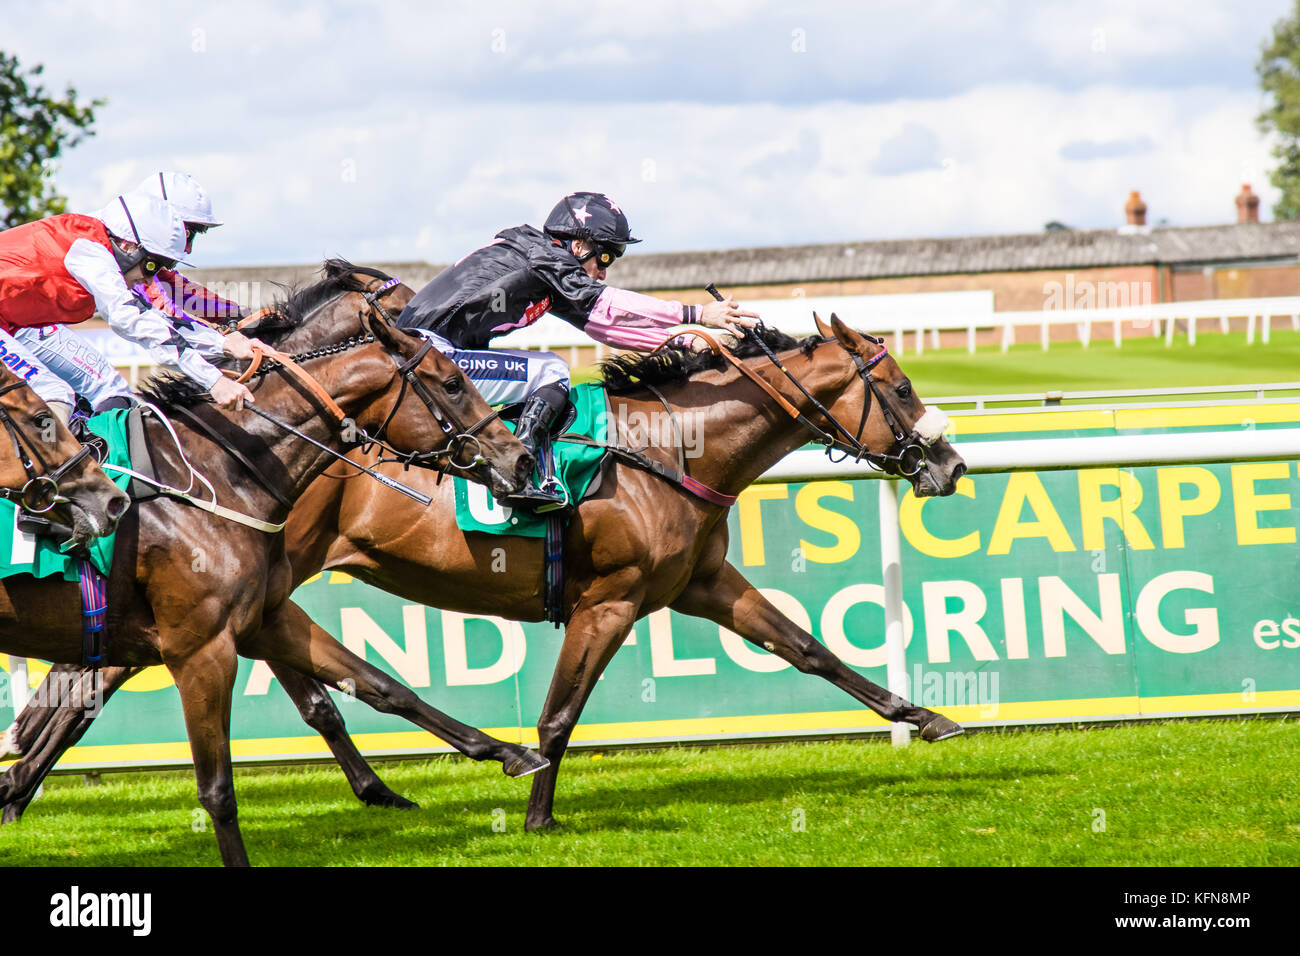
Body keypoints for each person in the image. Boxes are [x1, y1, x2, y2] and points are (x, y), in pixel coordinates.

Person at [396, 190, 759, 509]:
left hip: (431, 353)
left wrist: (686, 342)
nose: (603, 271)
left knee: (547, 370)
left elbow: (606, 327)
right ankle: (518, 471)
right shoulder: (544, 258)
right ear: (579, 244)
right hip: (432, 358)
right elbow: (610, 304)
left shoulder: (545, 269)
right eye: (604, 258)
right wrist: (695, 313)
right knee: (551, 370)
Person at [0, 192, 258, 422]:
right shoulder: (91, 254)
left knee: (107, 391)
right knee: (55, 396)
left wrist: (225, 343)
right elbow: (134, 321)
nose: (150, 278)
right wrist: (213, 381)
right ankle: (50, 475)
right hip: (13, 327)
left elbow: (158, 318)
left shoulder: (111, 244)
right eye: (152, 265)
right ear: (128, 246)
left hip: (11, 325)